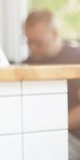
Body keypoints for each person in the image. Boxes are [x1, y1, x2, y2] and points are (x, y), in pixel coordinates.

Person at [23, 9, 80, 160]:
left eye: (38, 43)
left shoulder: (76, 59)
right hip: (38, 134)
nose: (33, 48)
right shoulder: (28, 64)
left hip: (72, 137)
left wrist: (49, 127)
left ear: (54, 34)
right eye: (29, 42)